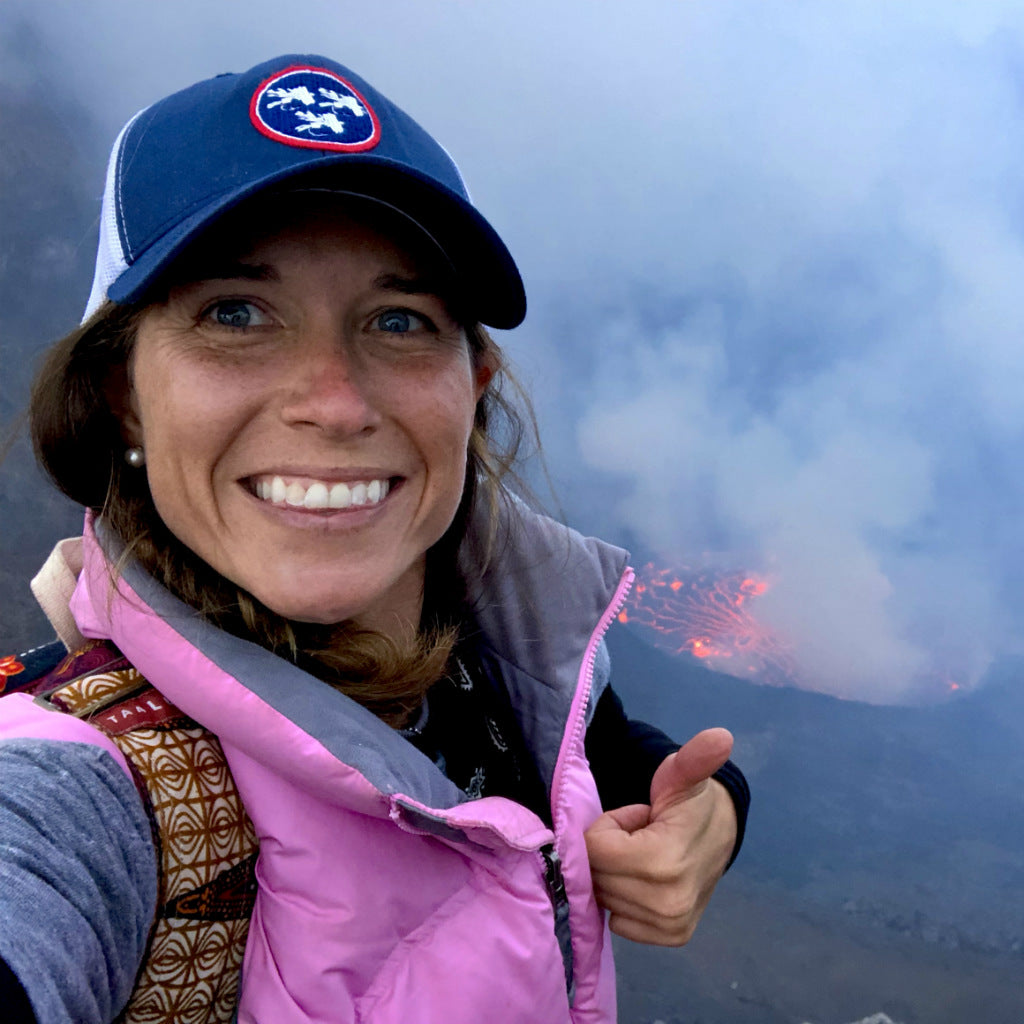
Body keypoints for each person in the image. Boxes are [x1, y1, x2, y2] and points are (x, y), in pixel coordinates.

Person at [0, 54, 748, 1024]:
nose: (336, 400)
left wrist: (714, 806)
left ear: (470, 384)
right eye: (236, 312)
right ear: (120, 395)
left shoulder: (481, 644)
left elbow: (596, 744)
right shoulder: (77, 795)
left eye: (398, 320)